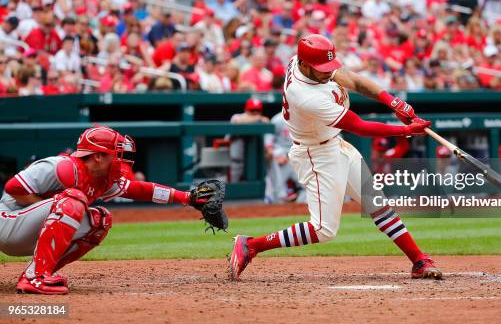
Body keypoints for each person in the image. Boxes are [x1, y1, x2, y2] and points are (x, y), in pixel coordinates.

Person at [229, 34, 442, 281]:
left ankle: (419, 260)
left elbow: (353, 80)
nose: (328, 73)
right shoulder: (306, 96)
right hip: (316, 154)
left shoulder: (306, 61)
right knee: (323, 230)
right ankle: (251, 245)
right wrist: (404, 131)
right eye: (321, 69)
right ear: (305, 65)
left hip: (335, 143)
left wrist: (393, 102)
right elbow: (360, 126)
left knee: (378, 205)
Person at [0, 126, 218, 294]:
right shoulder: (63, 167)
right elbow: (13, 188)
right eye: (116, 155)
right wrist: (51, 207)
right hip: (8, 223)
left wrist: (187, 198)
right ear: (97, 156)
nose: (121, 161)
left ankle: (40, 272)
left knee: (100, 220)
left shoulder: (103, 178)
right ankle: (34, 277)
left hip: (29, 229)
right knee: (73, 200)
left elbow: (140, 190)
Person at [264, 111, 302, 203]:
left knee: (309, 188)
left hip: (299, 155)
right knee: (278, 190)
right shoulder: (278, 119)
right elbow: (268, 139)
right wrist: (273, 154)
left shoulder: (304, 118)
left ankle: (299, 207)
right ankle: (275, 202)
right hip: (281, 154)